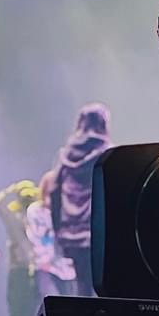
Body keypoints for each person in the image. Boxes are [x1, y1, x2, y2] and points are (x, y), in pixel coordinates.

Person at [43, 103, 110, 295]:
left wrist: (58, 231)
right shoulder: (107, 154)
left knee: (82, 286)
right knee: (103, 286)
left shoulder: (65, 157)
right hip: (99, 234)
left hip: (70, 235)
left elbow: (54, 193)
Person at [0, 180, 42, 316]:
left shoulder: (36, 219)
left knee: (29, 302)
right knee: (16, 301)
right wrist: (12, 189)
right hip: (18, 267)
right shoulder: (14, 220)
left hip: (34, 266)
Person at [28, 169, 75, 301]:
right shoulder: (36, 211)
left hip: (69, 269)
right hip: (47, 267)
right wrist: (46, 262)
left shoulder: (69, 211)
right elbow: (37, 238)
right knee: (51, 302)